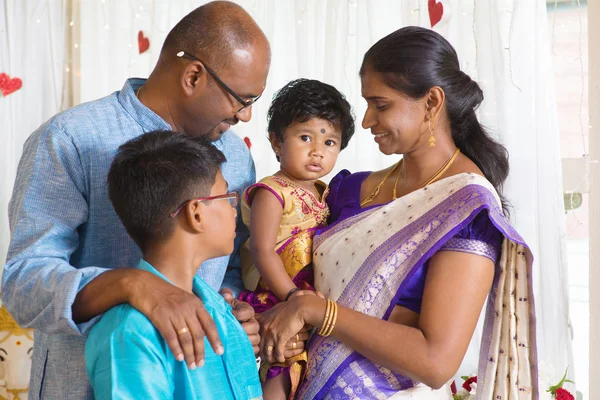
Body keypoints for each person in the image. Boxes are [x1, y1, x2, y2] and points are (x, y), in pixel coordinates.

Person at [2, 2, 269, 398]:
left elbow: (228, 266)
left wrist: (233, 310)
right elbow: (22, 283)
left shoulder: (233, 155)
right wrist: (132, 283)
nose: (246, 116)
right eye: (242, 99)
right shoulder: (71, 139)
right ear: (194, 75)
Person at [257, 26, 538, 399]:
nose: (368, 120)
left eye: (381, 105)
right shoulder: (346, 191)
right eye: (367, 104)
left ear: (432, 103)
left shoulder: (465, 210)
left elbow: (436, 362)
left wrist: (318, 312)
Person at [85, 131, 262, 399]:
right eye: (227, 196)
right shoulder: (130, 335)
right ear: (196, 213)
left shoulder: (223, 311)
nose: (234, 209)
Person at [238, 78, 354, 398]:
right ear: (276, 142)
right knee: (282, 359)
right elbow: (263, 250)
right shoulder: (272, 192)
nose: (317, 151)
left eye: (330, 142)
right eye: (305, 137)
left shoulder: (326, 194)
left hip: (312, 299)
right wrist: (291, 297)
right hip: (277, 294)